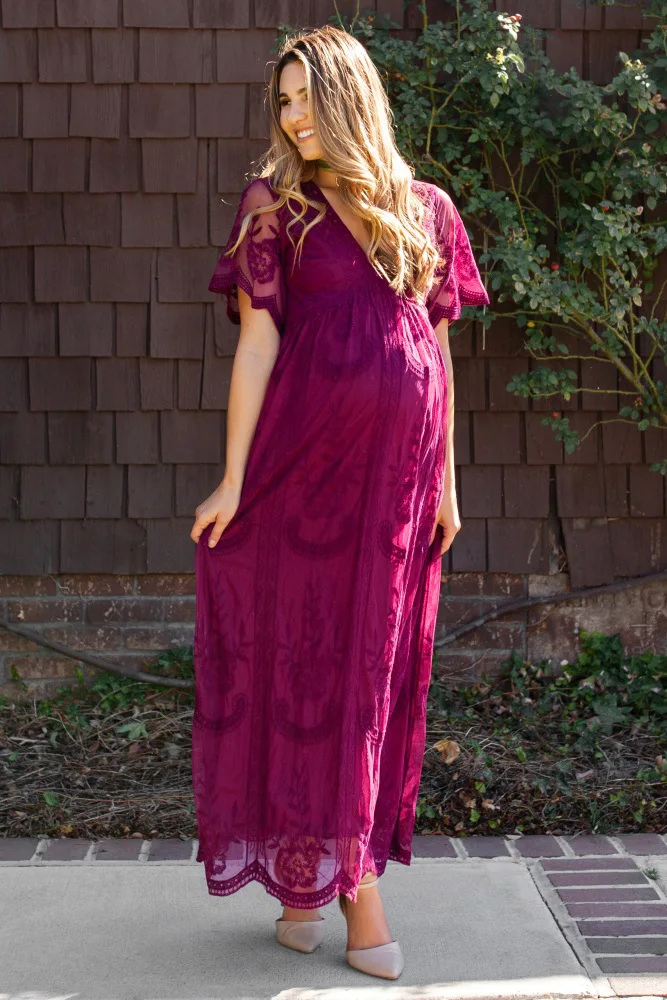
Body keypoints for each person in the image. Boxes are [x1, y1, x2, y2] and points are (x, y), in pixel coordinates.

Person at [189, 23, 489, 981]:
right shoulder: (276, 209)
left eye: (305, 97)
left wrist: (447, 483)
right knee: (311, 664)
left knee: (369, 671)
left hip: (396, 488)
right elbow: (258, 345)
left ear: (349, 96)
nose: (290, 117)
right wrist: (234, 478)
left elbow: (437, 355)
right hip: (306, 469)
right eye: (281, 101)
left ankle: (304, 885)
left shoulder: (428, 209)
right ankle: (354, 898)